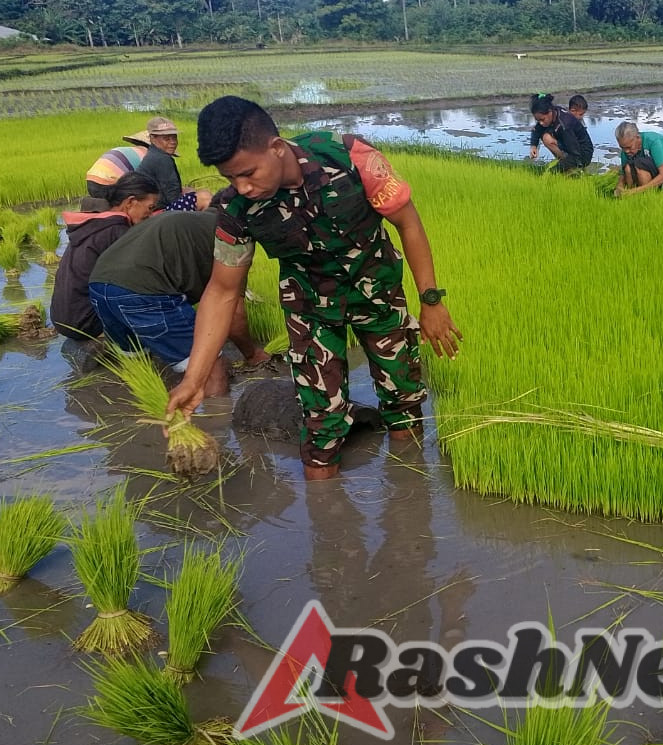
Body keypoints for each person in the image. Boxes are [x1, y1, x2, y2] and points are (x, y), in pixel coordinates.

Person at [165, 96, 463, 481]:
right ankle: (329, 527)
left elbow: (409, 223)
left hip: (379, 298)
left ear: (276, 148)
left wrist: (431, 301)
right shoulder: (236, 209)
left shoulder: (349, 157)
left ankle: (407, 503)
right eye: (230, 178)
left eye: (248, 173)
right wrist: (194, 379)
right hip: (311, 311)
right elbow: (222, 292)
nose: (243, 187)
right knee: (321, 424)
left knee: (403, 402)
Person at [89, 210, 272, 398]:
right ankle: (216, 420)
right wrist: (252, 355)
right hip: (145, 292)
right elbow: (233, 315)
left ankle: (139, 415)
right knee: (209, 367)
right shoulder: (234, 237)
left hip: (99, 286)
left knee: (138, 364)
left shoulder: (190, 220)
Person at [49, 172, 161, 342]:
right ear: (130, 202)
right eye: (150, 208)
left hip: (62, 318)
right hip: (85, 323)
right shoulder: (117, 232)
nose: (150, 214)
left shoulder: (95, 224)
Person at [614, 121, 663, 195]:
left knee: (640, 166)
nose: (626, 151)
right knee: (628, 168)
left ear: (637, 137)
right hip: (653, 168)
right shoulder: (625, 151)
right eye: (622, 147)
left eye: (629, 147)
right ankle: (632, 198)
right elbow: (623, 174)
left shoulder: (654, 142)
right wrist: (619, 186)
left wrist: (636, 191)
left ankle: (647, 196)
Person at [528, 93, 594, 172]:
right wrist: (534, 146)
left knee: (547, 138)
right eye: (538, 120)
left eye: (542, 119)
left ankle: (575, 168)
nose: (541, 123)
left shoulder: (565, 126)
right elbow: (537, 129)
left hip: (583, 155)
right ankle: (568, 166)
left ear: (549, 112)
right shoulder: (554, 111)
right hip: (571, 147)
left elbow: (575, 154)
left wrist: (555, 170)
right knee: (546, 137)